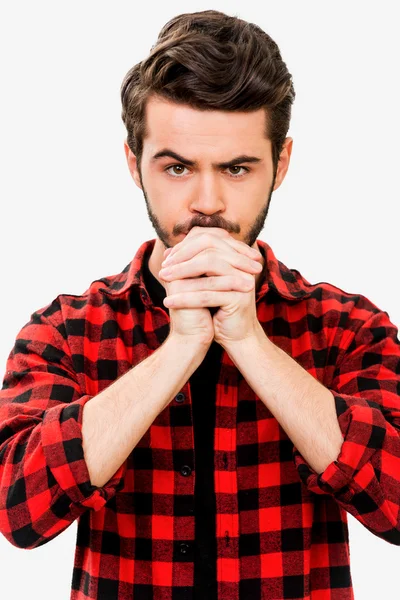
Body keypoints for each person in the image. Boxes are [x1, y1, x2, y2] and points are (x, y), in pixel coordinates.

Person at [0, 9, 399, 600]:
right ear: (135, 164)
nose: (207, 201)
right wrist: (179, 347)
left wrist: (249, 341)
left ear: (280, 164)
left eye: (237, 168)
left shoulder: (349, 328)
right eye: (178, 167)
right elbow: (19, 514)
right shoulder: (65, 330)